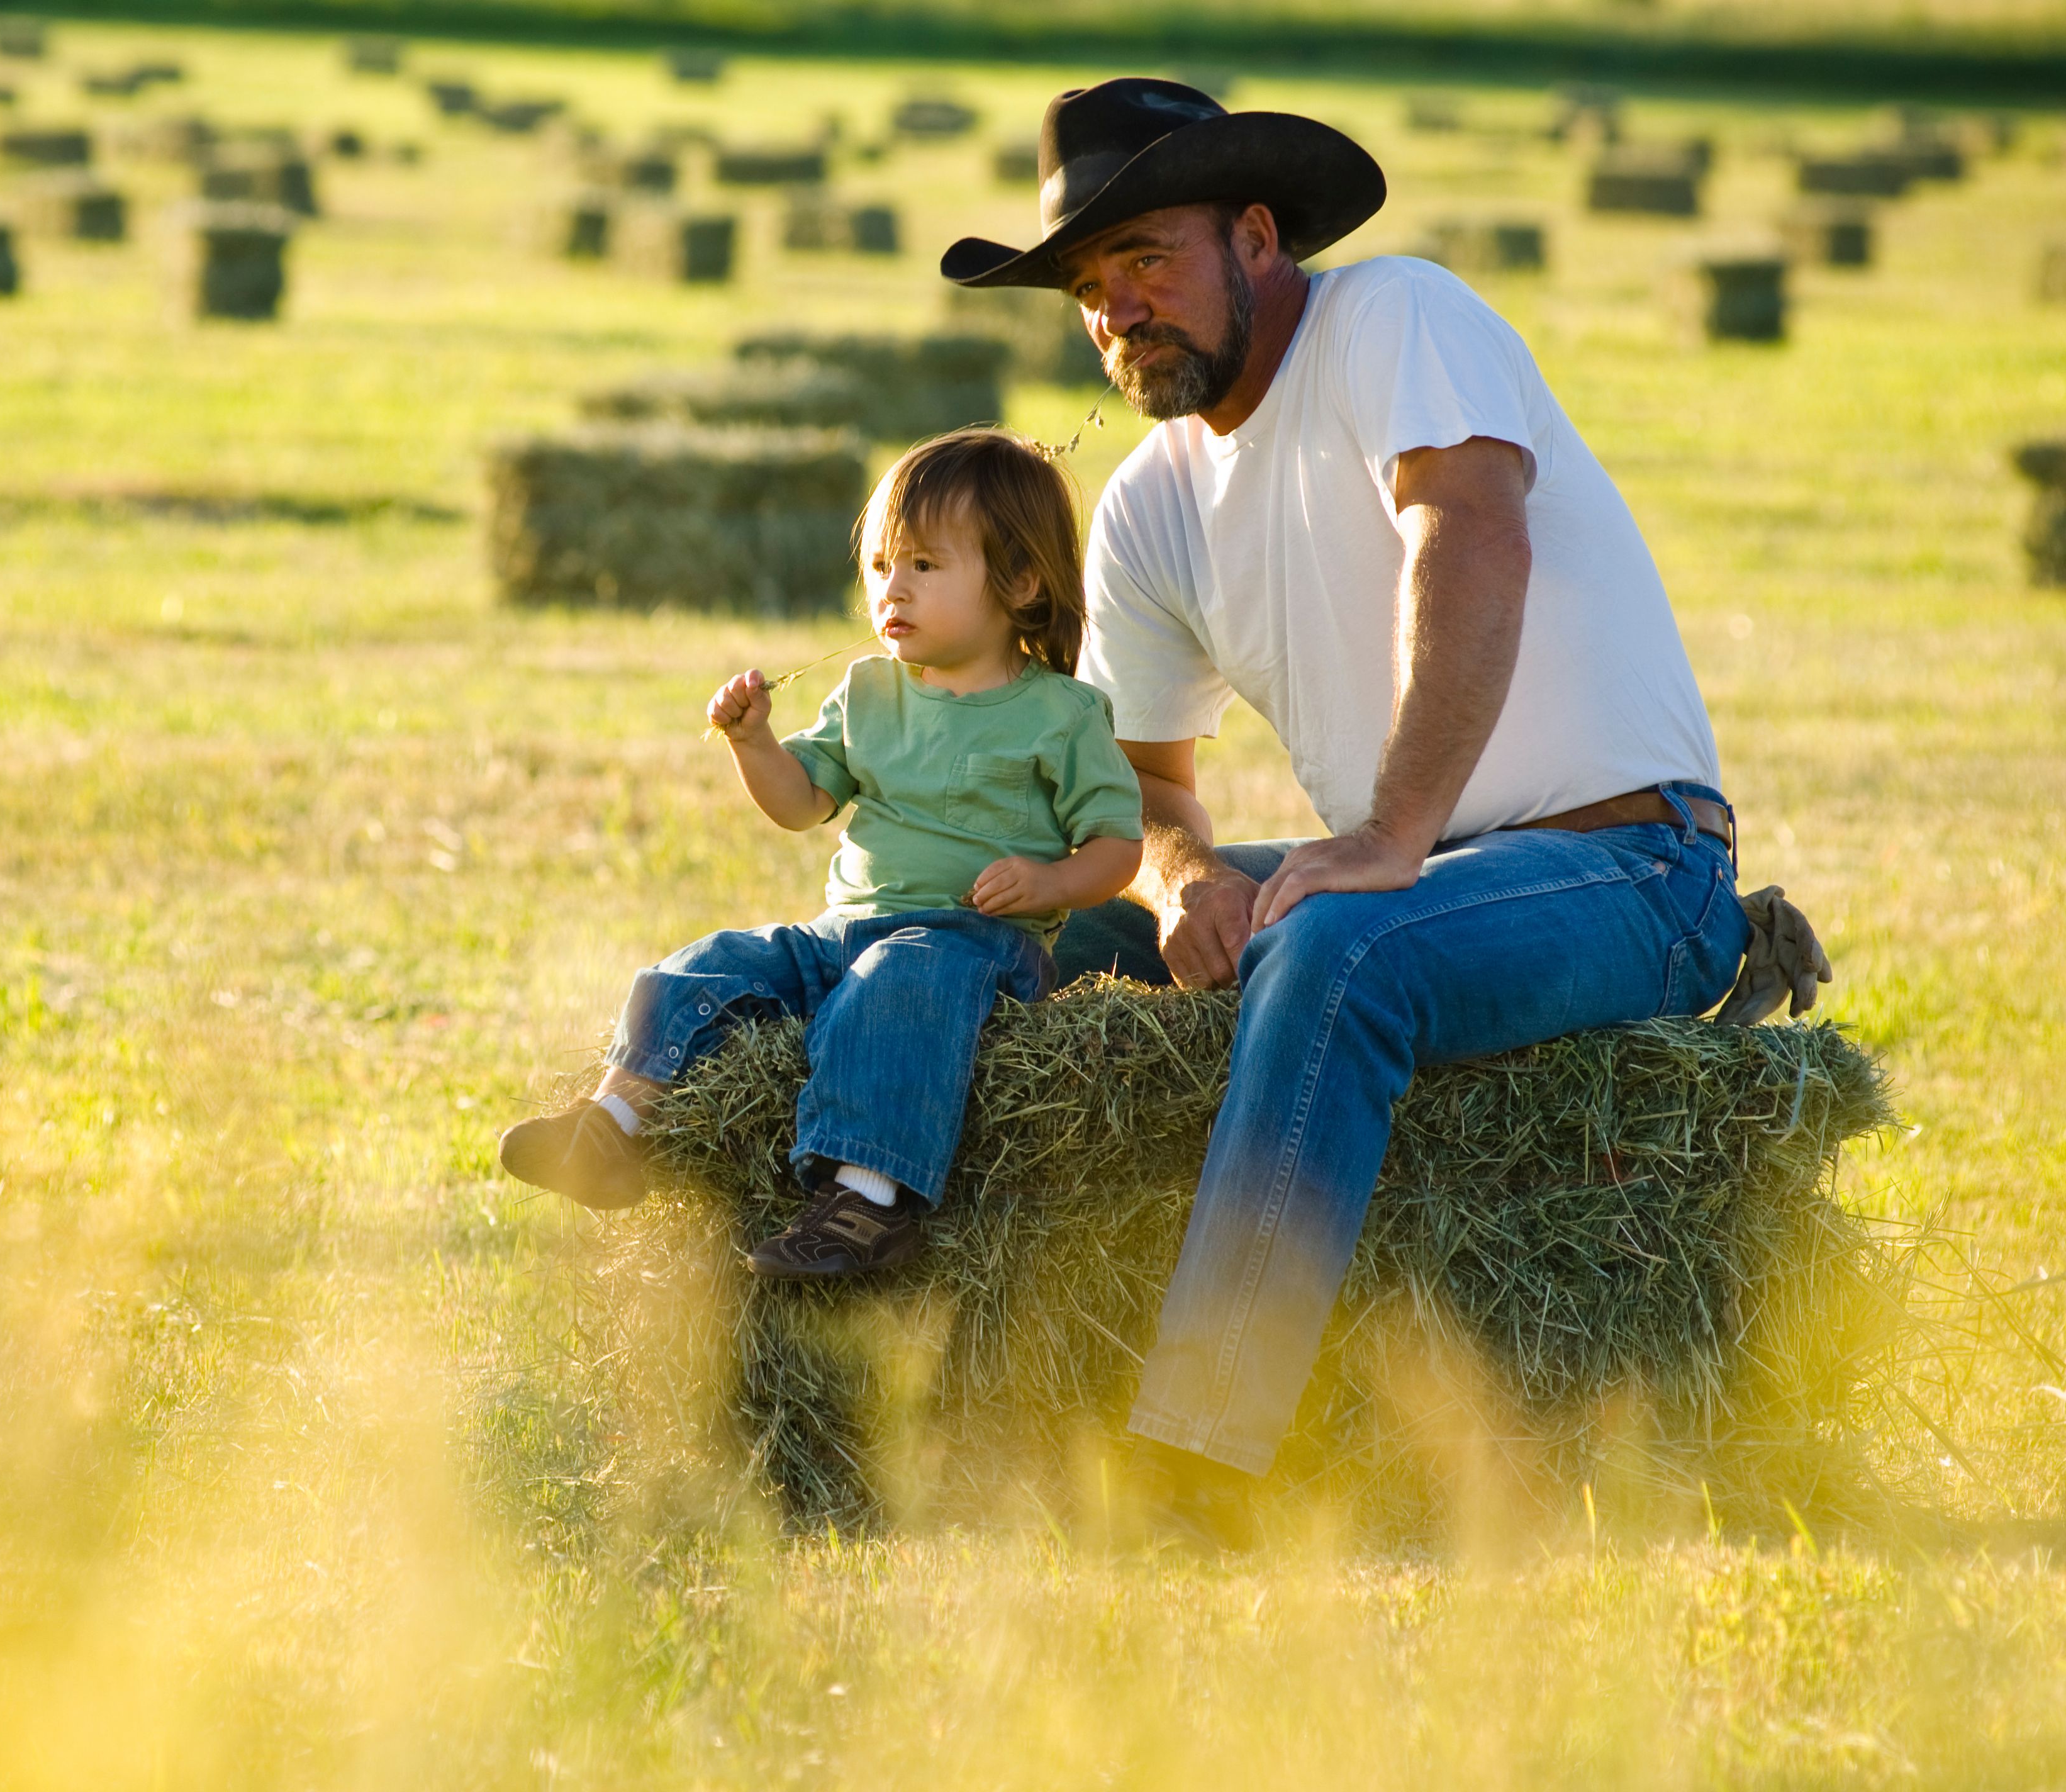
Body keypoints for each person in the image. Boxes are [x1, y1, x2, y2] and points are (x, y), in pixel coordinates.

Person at [942, 77, 1795, 1548]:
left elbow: (1465, 536)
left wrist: (1392, 831)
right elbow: (1137, 783)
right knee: (1036, 910)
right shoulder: (1150, 501)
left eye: (1146, 258)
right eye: (1088, 287)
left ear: (1255, 235)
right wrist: (1183, 877)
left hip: (1629, 866)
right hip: (1430, 879)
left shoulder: (1392, 320)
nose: (1116, 308)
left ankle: (1202, 1451)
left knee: (1338, 943)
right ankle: (904, 1328)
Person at [498, 428, 1145, 1279]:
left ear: (1020, 581)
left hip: (970, 949)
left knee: (893, 990)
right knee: (713, 960)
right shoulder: (870, 692)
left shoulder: (1061, 716)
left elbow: (1119, 846)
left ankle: (867, 1203)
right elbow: (803, 802)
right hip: (844, 935)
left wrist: (1050, 881)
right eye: (880, 566)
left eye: (923, 565)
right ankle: (614, 1127)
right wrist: (754, 743)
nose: (892, 589)